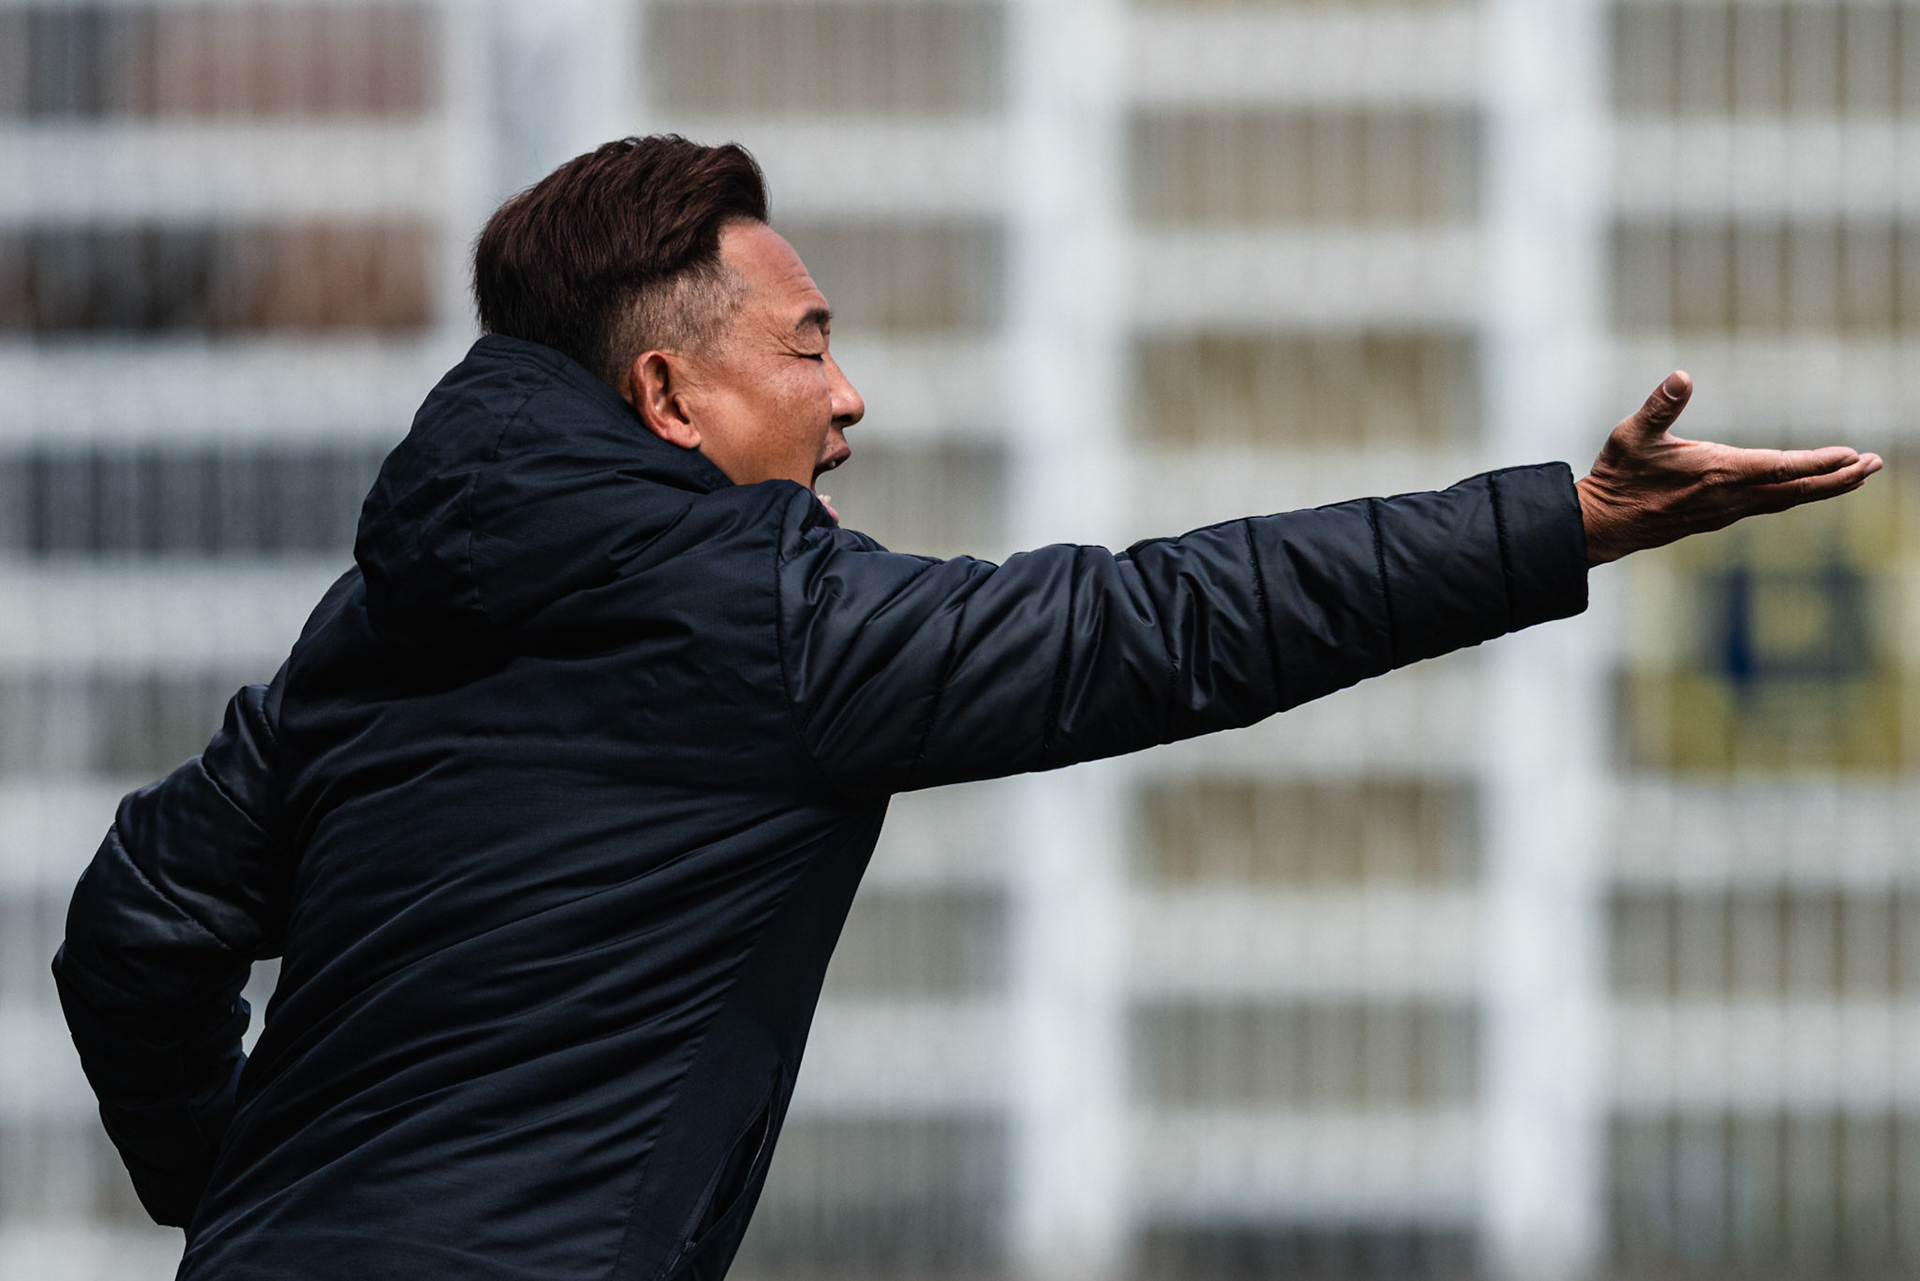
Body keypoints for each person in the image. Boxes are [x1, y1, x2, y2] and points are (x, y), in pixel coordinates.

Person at [53, 136, 1880, 1281]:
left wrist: (244, 1193)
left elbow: (134, 922)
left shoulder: (368, 629)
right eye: (811, 345)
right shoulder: (770, 620)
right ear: (671, 395)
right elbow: (1165, 623)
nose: (851, 402)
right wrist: (1562, 518)